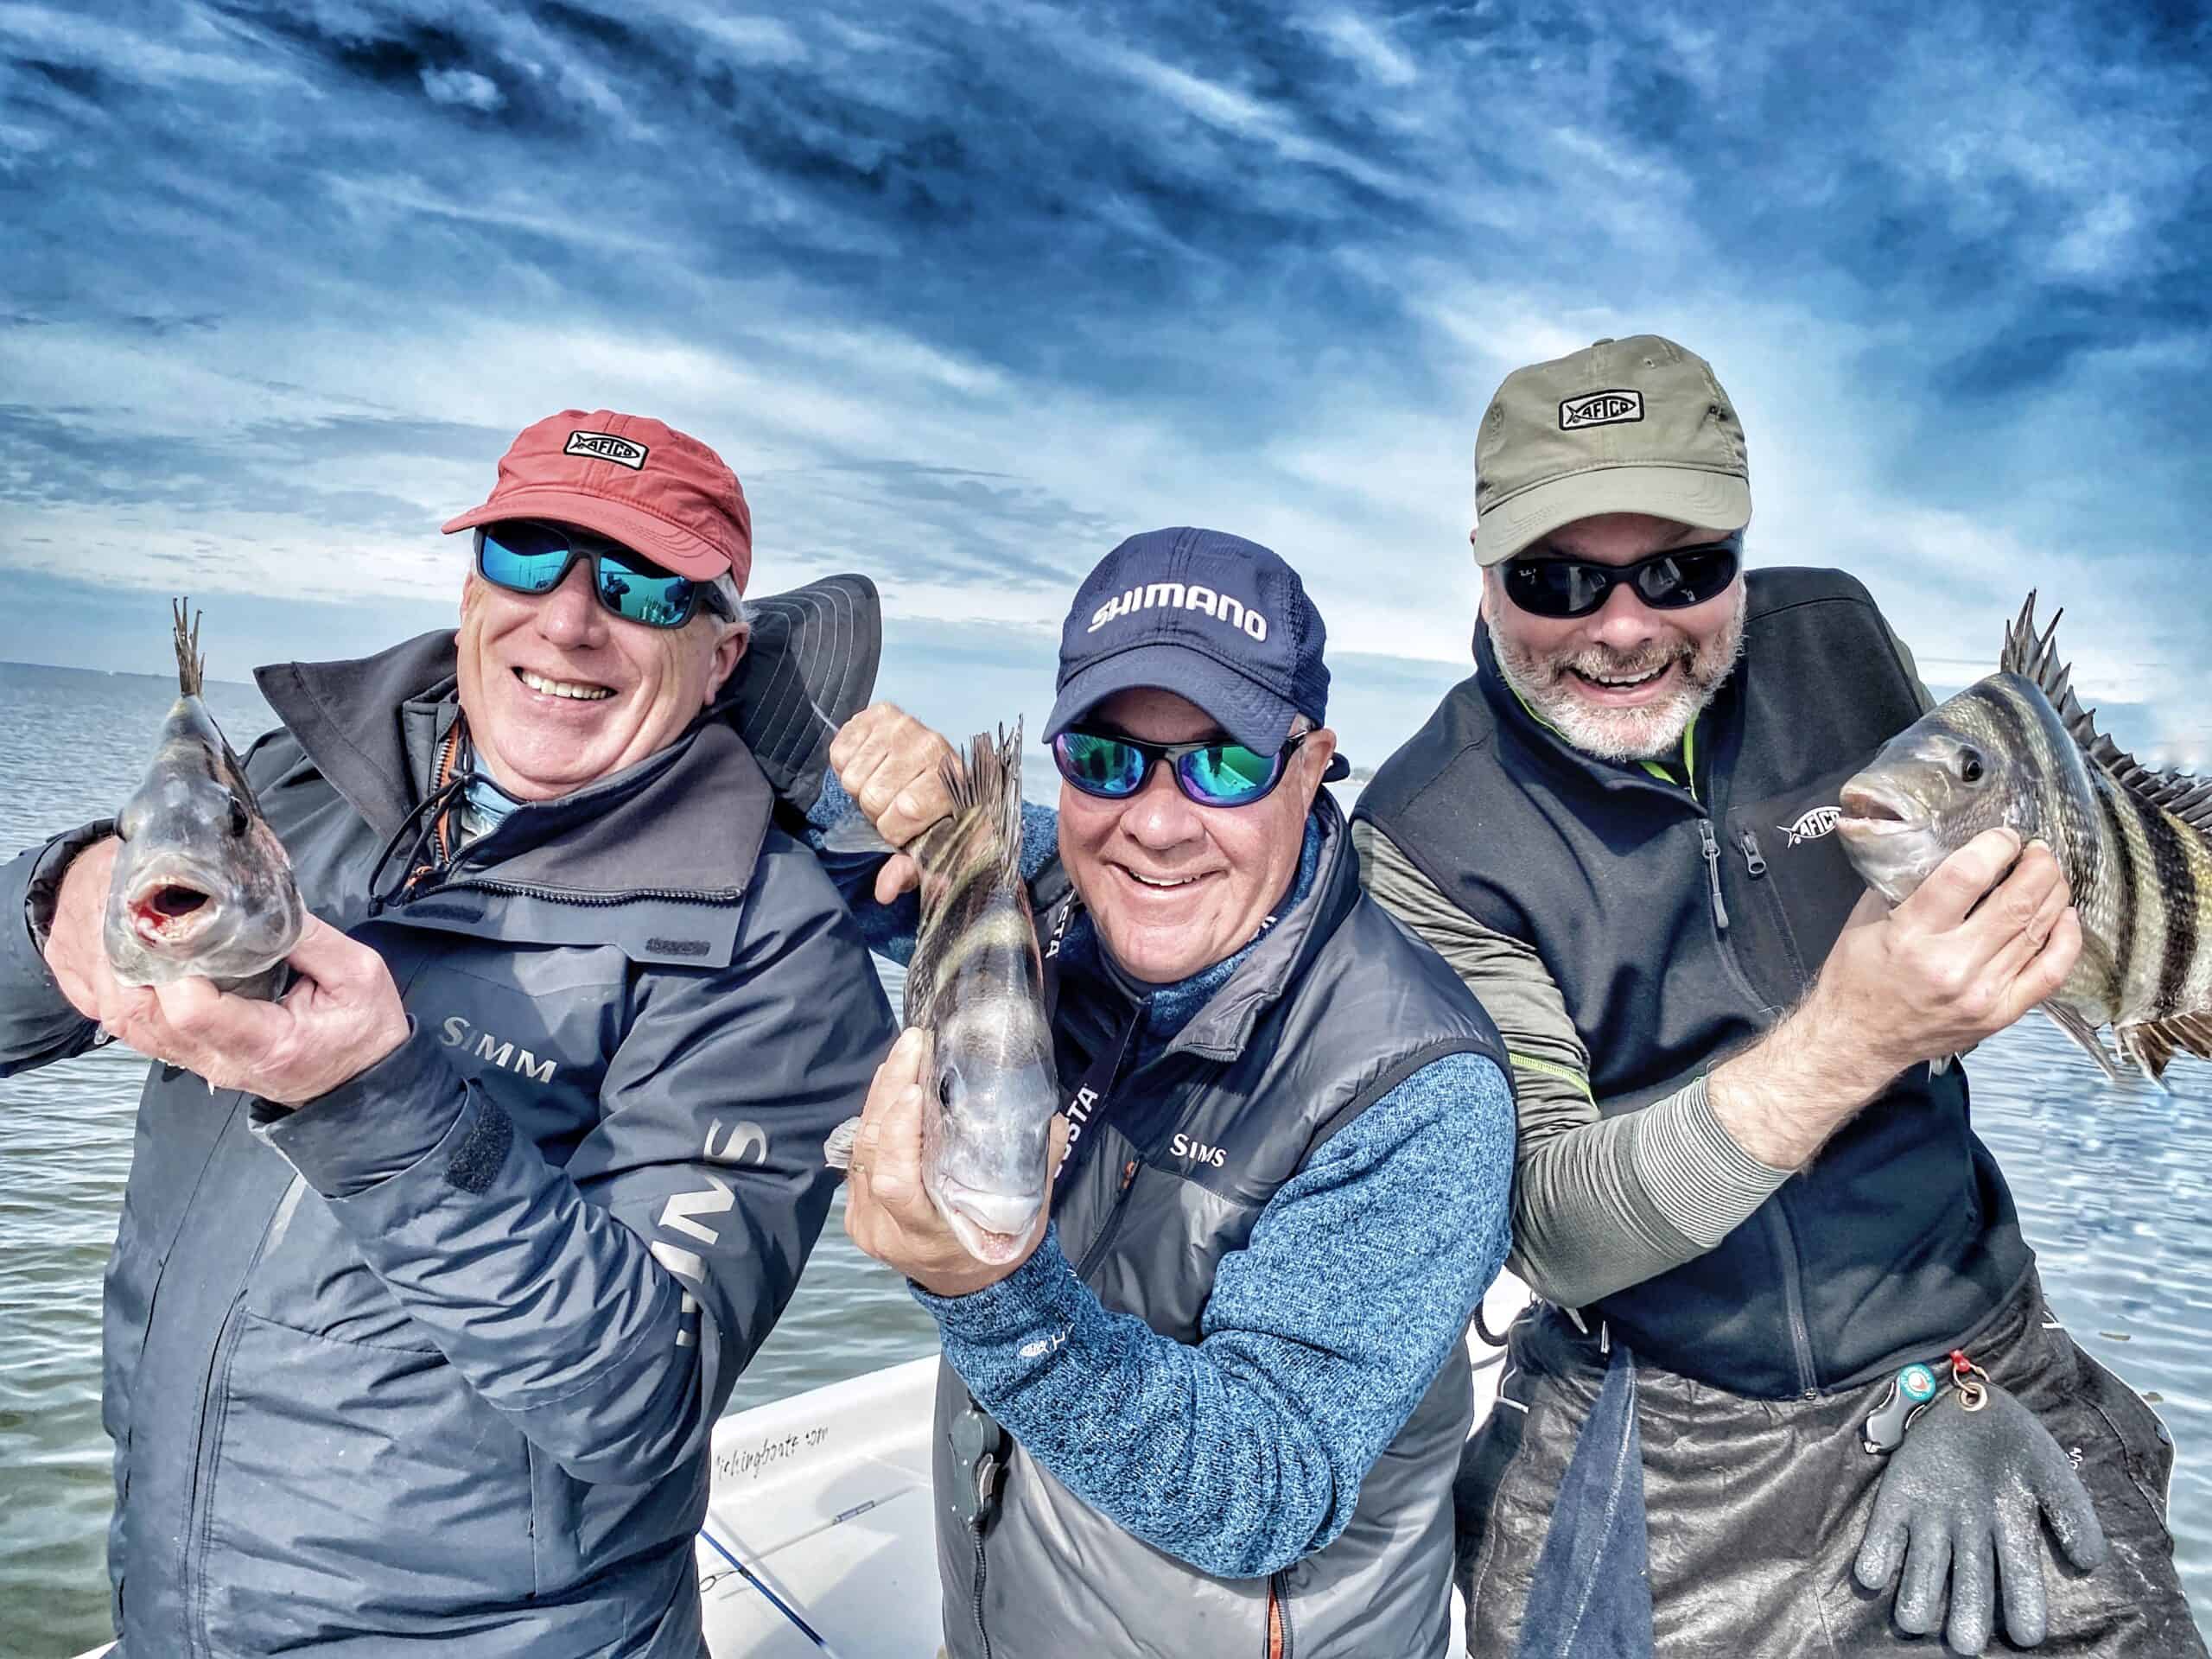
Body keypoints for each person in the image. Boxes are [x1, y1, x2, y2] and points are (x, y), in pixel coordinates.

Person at [1353, 336, 2202, 1656]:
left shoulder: (1840, 639)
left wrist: (1952, 1371)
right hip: (1666, 1423)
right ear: (1483, 569)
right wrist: (1856, 1036)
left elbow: (2035, 841)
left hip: (1977, 1348)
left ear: (1743, 546)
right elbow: (1552, 1223)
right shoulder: (1424, 836)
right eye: (1559, 579)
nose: (1624, 627)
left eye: (1686, 567)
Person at [0, 410, 896, 1657]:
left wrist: (369, 1098)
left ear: (723, 653)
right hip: (167, 1604)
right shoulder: (287, 789)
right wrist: (57, 902)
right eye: (529, 555)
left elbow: (644, 1396)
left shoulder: (778, 951)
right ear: (472, 585)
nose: (571, 619)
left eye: (639, 585)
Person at [812, 525, 1517, 1658]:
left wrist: (986, 1293)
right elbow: (854, 869)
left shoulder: (1421, 1088)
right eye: (1106, 757)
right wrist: (866, 791)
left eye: (1222, 763)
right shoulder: (1053, 894)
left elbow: (1265, 1484)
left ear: (1310, 764)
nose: (1154, 820)